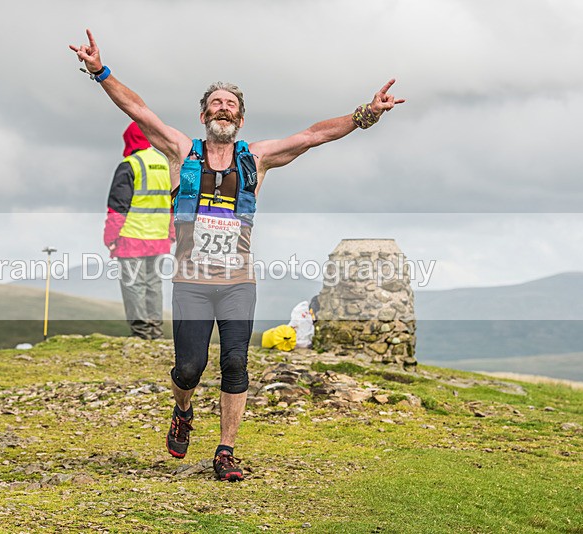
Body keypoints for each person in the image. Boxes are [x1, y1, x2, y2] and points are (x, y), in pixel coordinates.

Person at [70, 29, 404, 481]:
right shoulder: (181, 150)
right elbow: (136, 109)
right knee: (188, 369)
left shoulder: (257, 158)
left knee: (234, 362)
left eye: (230, 104)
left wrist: (365, 114)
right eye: (215, 103)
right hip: (190, 281)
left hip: (237, 282)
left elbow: (313, 135)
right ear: (203, 114)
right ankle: (183, 410)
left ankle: (226, 450)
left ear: (240, 118)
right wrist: (100, 71)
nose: (222, 109)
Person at [104, 122, 174, 340]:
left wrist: (110, 238)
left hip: (132, 236)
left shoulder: (130, 165)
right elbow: (173, 201)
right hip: (159, 236)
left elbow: (117, 207)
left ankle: (141, 332)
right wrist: (171, 231)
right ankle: (155, 330)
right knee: (154, 283)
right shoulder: (164, 162)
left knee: (133, 284)